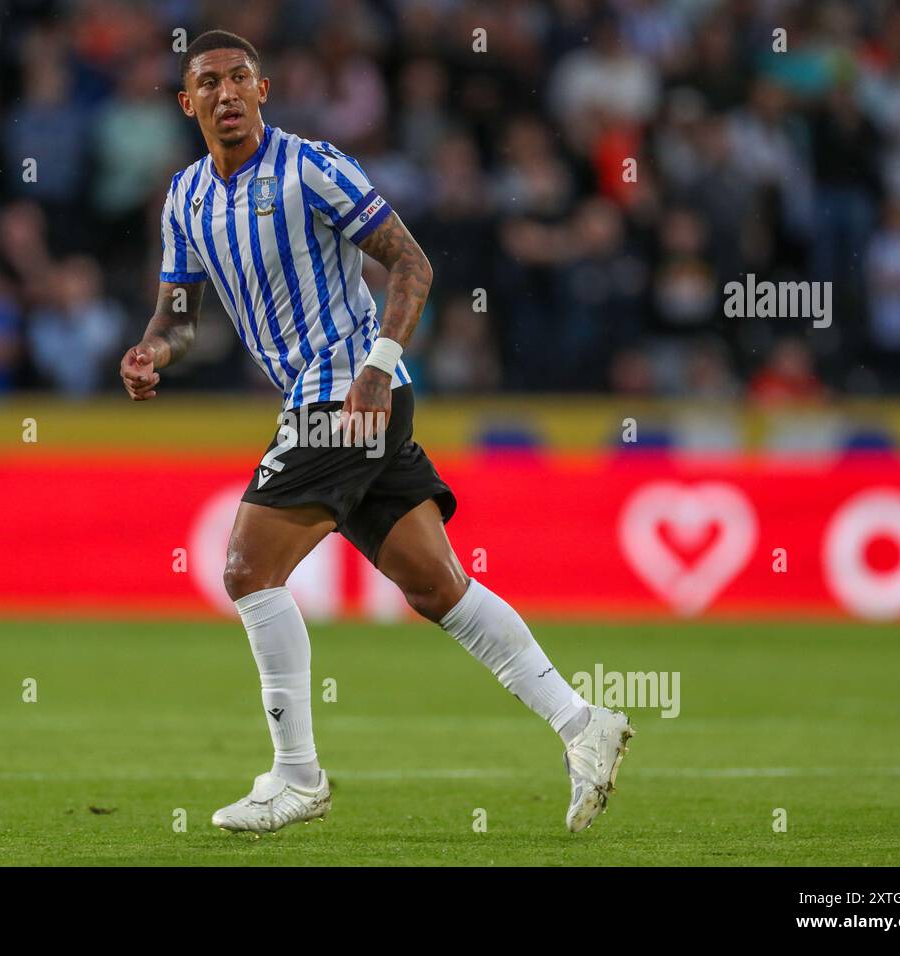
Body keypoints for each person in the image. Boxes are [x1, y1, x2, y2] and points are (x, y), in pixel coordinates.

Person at [120, 31, 633, 835]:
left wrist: (378, 363)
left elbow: (412, 263)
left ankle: (298, 777)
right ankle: (583, 724)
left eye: (239, 80)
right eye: (207, 83)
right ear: (187, 104)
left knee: (248, 568)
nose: (225, 94)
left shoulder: (309, 166)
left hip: (352, 393)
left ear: (263, 90)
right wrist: (152, 351)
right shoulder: (185, 198)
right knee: (437, 589)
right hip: (327, 401)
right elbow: (180, 316)